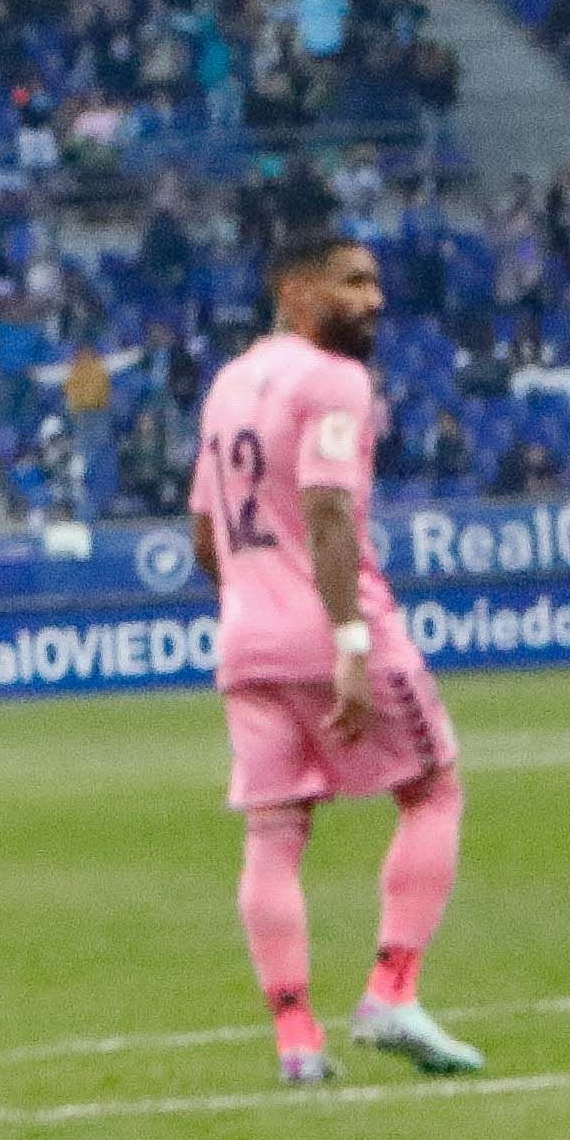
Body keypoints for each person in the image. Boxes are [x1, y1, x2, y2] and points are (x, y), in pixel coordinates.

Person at [191, 224, 482, 1088]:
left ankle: (296, 1043)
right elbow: (327, 512)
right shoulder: (336, 381)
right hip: (334, 630)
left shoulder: (228, 385)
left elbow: (206, 534)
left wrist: (254, 599)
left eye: (375, 283)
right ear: (294, 287)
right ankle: (393, 989)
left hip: (247, 641)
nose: (373, 300)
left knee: (274, 835)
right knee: (434, 787)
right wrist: (349, 640)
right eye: (351, 282)